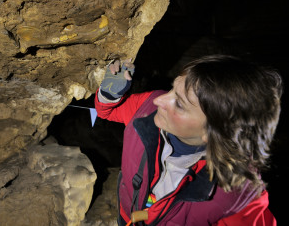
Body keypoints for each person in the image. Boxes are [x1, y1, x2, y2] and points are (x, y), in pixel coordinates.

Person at [95, 55, 282, 226]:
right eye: (172, 89)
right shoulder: (148, 107)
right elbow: (108, 111)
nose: (160, 101)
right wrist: (110, 93)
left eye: (179, 104)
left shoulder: (234, 196)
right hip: (128, 218)